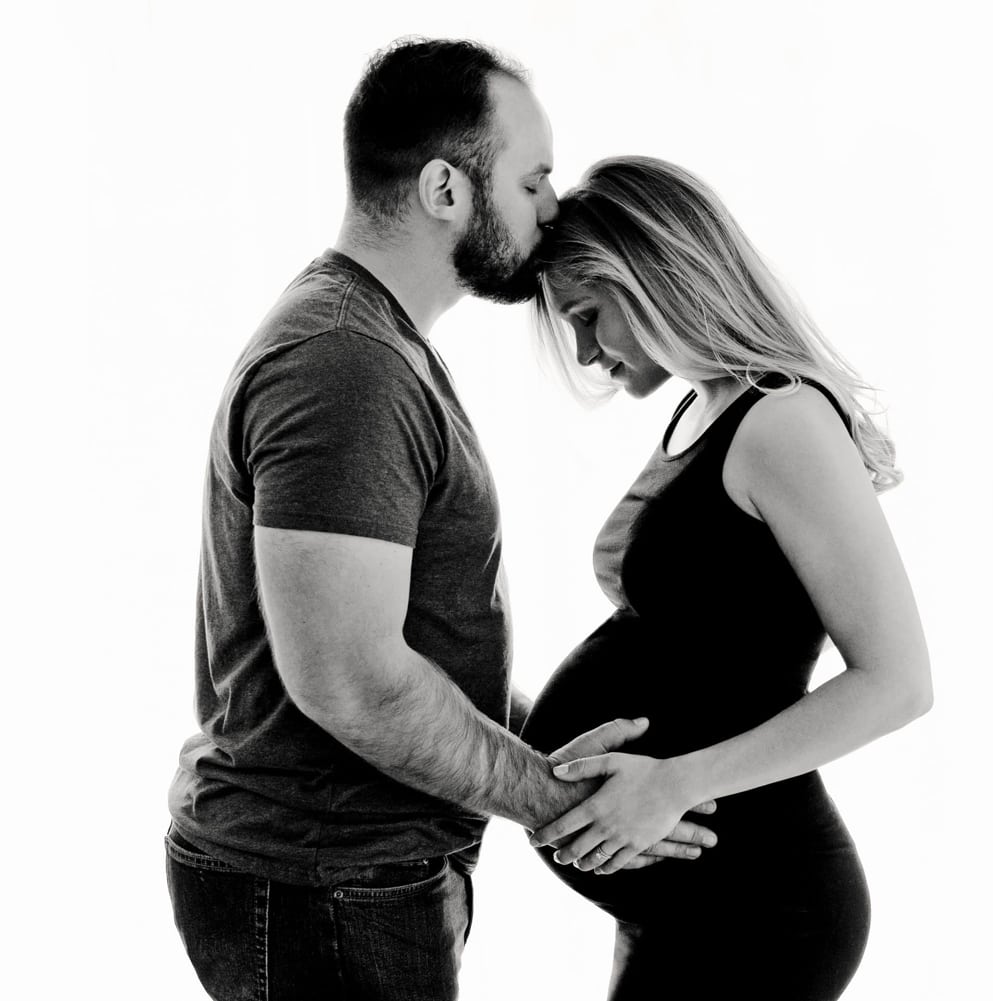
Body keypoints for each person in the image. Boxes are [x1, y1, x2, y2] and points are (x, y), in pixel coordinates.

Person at [164, 40, 715, 1001]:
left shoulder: (373, 344)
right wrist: (553, 800)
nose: (555, 205)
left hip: (340, 877)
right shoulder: (348, 364)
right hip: (322, 883)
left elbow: (409, 646)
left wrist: (558, 747)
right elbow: (351, 679)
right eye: (533, 179)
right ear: (445, 190)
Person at [519, 156, 933, 1000]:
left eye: (590, 317)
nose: (589, 353)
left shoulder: (783, 421)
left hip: (762, 899)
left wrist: (676, 781)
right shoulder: (701, 408)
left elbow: (900, 683)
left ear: (655, 277)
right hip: (690, 897)